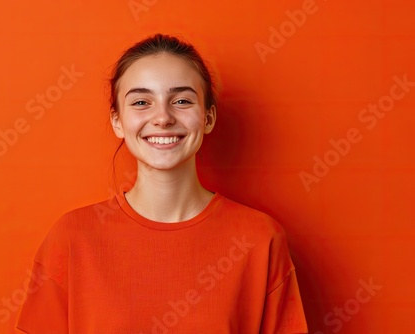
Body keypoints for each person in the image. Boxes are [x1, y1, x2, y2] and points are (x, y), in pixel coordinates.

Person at [16, 33, 308, 334]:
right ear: (118, 120)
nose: (163, 117)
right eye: (142, 102)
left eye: (181, 100)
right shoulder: (72, 237)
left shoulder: (259, 239)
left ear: (208, 117)